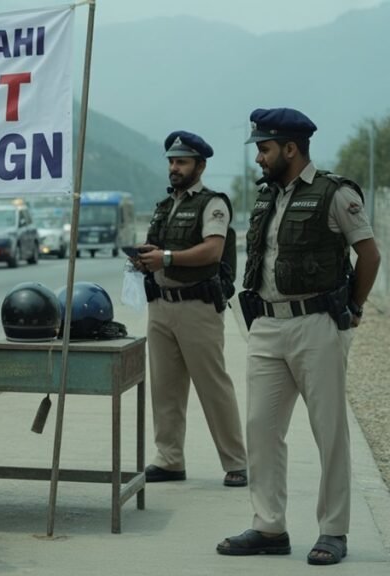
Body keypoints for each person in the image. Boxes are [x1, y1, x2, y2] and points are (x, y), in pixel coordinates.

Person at [216, 108, 380, 565]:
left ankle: (334, 530)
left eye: (264, 149)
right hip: (267, 325)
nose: (258, 159)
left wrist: (354, 306)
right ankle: (269, 526)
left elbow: (369, 254)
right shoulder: (268, 197)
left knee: (329, 432)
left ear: (291, 148)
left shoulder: (334, 193)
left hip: (317, 325)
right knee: (262, 430)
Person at [133, 131, 248, 488]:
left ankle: (236, 462)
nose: (174, 168)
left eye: (181, 161)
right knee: (164, 388)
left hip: (197, 306)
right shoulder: (166, 206)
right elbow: (163, 250)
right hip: (161, 306)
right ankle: (169, 460)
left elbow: (213, 251)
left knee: (213, 386)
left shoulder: (213, 204)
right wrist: (145, 257)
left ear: (200, 165)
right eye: (171, 161)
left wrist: (165, 257)